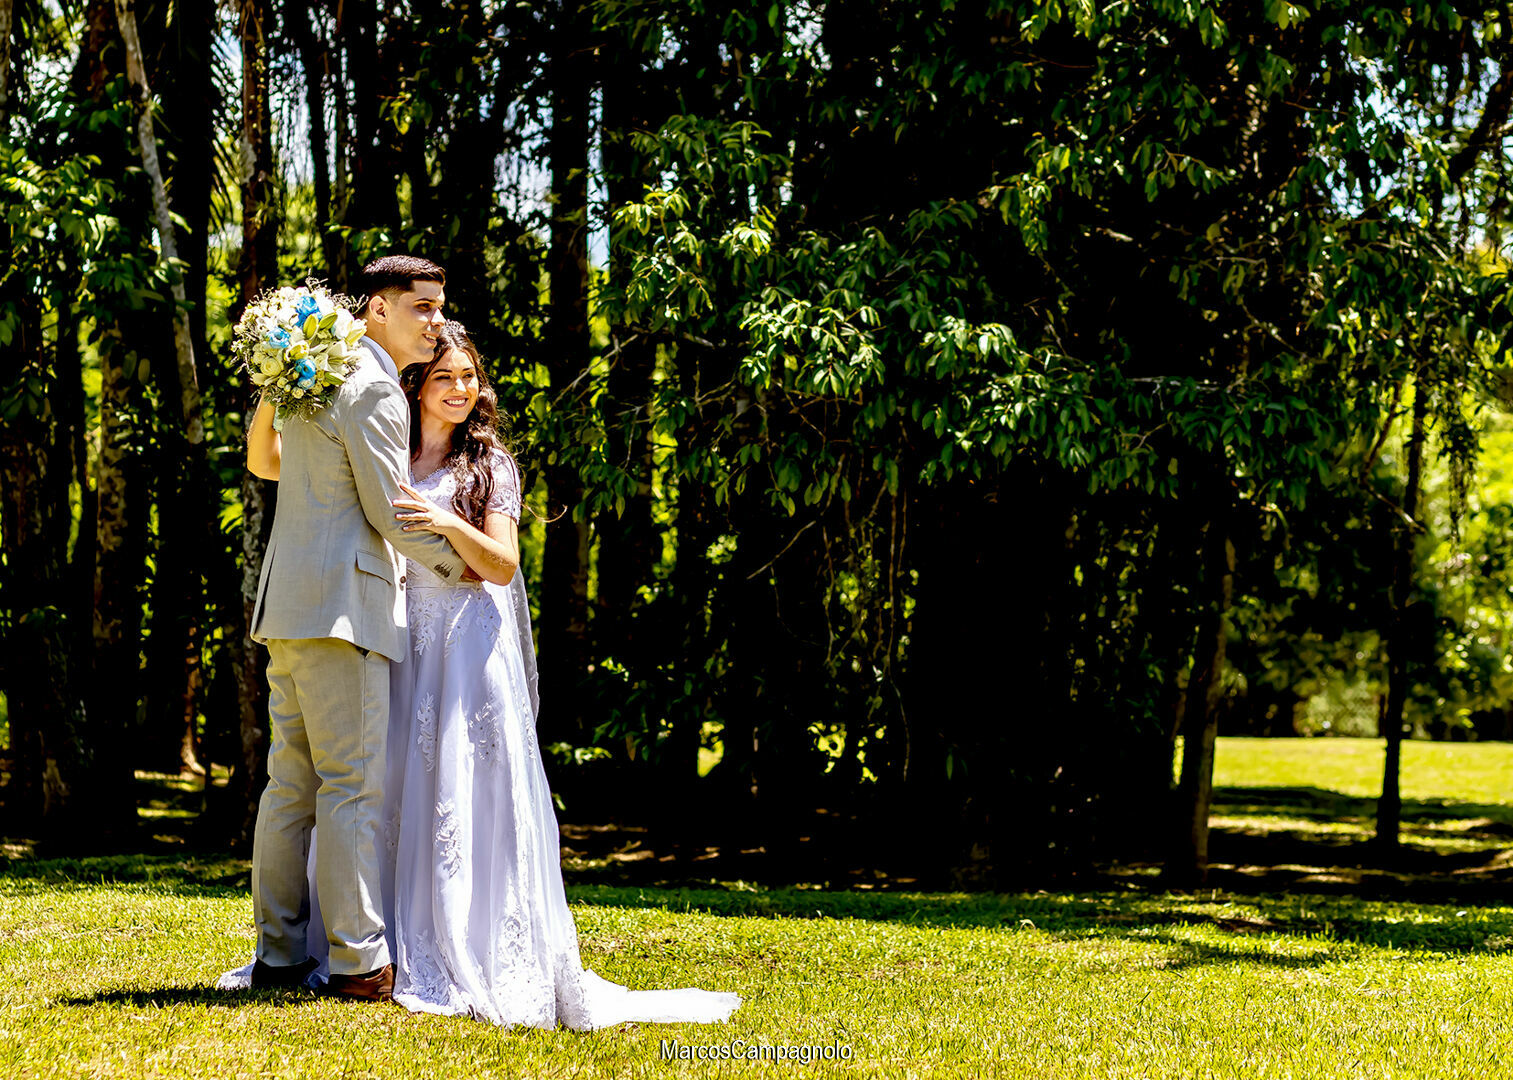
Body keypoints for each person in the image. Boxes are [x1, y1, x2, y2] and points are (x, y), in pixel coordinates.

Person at [232, 317, 742, 1029]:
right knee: (387, 785)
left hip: (469, 645)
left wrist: (444, 526)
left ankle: (465, 939)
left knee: (464, 791)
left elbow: (501, 565)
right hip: (403, 637)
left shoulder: (490, 465)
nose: (460, 389)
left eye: (469, 377)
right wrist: (276, 385)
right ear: (416, 385)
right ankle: (380, 941)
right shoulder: (386, 445)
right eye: (445, 377)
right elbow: (279, 466)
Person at [242, 255, 465, 1003]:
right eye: (421, 308)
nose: (434, 322)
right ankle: (358, 961)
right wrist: (469, 568)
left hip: (289, 607)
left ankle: (277, 954)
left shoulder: (313, 377)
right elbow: (389, 512)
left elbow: (266, 463)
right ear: (376, 309)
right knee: (349, 788)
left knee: (289, 787)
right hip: (344, 612)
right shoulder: (370, 385)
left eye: (439, 309)